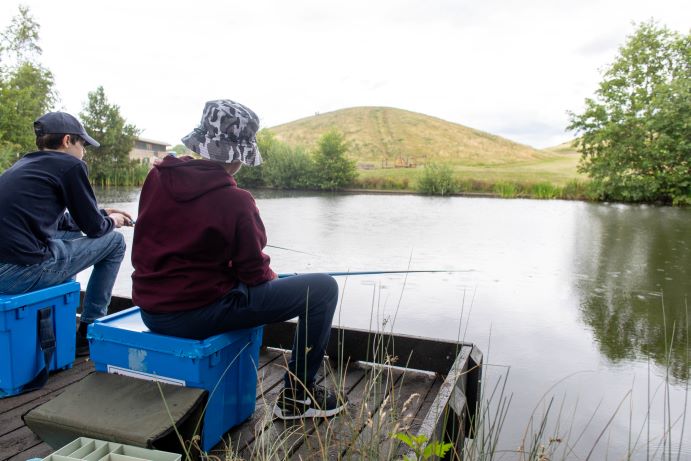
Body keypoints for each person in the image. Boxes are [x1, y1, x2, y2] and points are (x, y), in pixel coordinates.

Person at [131, 99, 346, 420]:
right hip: (195, 314)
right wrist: (270, 276)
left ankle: (298, 395)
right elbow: (255, 275)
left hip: (151, 310)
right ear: (239, 158)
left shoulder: (159, 176)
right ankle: (298, 396)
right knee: (323, 290)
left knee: (292, 285)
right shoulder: (235, 201)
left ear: (202, 142)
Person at [0, 111, 132, 356]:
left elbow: (61, 223)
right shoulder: (70, 165)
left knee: (70, 239)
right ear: (67, 140)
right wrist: (112, 220)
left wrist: (102, 212)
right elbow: (94, 228)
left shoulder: (24, 165)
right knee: (114, 243)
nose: (84, 151)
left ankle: (63, 317)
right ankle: (89, 330)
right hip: (20, 273)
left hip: (4, 269)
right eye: (83, 144)